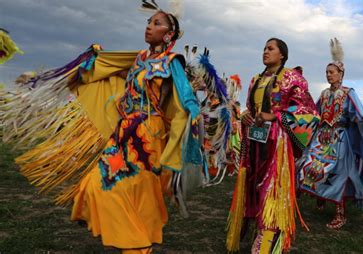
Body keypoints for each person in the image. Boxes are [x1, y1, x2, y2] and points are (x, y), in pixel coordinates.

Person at [6, 3, 204, 252]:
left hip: (147, 135)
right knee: (99, 182)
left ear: (169, 34)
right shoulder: (139, 59)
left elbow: (183, 96)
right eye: (148, 22)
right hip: (123, 132)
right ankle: (131, 238)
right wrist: (93, 62)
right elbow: (113, 71)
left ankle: (137, 245)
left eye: (156, 23)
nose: (149, 26)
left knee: (138, 190)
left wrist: (191, 117)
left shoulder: (172, 62)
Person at [226, 38, 319, 253]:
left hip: (277, 143)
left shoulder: (292, 78)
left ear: (282, 55)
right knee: (252, 182)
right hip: (254, 142)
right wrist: (247, 117)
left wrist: (274, 116)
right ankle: (252, 222)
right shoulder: (256, 79)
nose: (265, 52)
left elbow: (309, 112)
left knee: (272, 187)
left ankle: (269, 235)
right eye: (264, 48)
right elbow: (250, 107)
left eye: (271, 48)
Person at [297, 39, 363, 228]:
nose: (328, 75)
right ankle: (319, 196)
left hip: (339, 139)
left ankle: (340, 214)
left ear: (341, 74)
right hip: (322, 139)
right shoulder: (325, 94)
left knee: (340, 173)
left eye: (332, 72)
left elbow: (359, 114)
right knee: (310, 165)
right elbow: (316, 114)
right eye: (327, 72)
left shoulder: (348, 93)